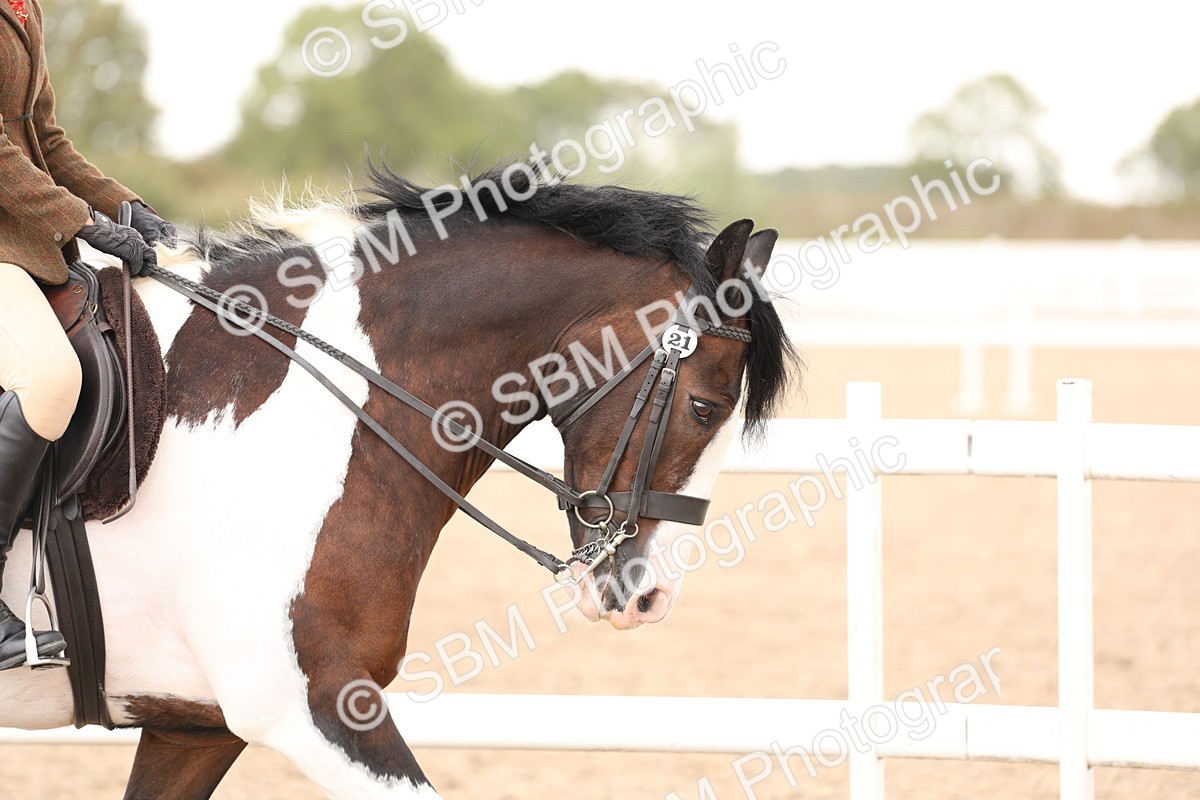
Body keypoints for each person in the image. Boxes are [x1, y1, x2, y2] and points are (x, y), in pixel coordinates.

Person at [0, 0, 175, 669]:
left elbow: (43, 136)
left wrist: (120, 201)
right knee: (49, 379)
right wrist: (82, 223)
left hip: (23, 244)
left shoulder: (23, 7)